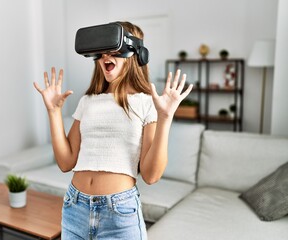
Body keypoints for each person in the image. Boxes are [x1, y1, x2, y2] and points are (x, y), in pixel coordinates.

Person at [33, 21, 193, 240]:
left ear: (135, 54)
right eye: (102, 52)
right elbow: (66, 162)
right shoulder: (88, 101)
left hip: (120, 214)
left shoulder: (147, 103)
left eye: (113, 50)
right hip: (74, 207)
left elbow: (151, 175)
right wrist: (53, 112)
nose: (105, 56)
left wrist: (165, 117)